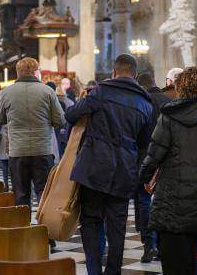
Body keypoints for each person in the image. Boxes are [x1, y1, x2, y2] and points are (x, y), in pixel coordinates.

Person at [140, 67, 197, 275]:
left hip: (172, 197)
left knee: (173, 260)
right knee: (194, 259)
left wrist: (145, 178)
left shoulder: (169, 116)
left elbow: (154, 154)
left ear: (180, 87)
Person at [65, 54, 153, 275]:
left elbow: (71, 115)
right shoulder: (145, 103)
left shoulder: (101, 92)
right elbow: (144, 143)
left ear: (114, 72)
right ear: (135, 75)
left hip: (94, 167)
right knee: (117, 227)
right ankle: (113, 271)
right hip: (124, 170)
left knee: (91, 221)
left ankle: (94, 270)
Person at [0, 57, 65, 209]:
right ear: (35, 72)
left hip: (18, 151)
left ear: (18, 73)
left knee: (20, 193)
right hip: (42, 150)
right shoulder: (47, 91)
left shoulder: (7, 93)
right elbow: (60, 120)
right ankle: (44, 229)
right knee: (44, 193)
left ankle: (23, 228)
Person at [135, 73, 172, 263]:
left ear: (141, 86)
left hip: (145, 159)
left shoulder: (141, 101)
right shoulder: (169, 101)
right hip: (167, 160)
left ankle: (149, 244)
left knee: (144, 202)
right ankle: (164, 245)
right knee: (164, 201)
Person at [0, 123, 10, 192]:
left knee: (4, 168)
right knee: (14, 169)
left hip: (3, 141)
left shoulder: (1, 115)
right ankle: (13, 186)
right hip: (13, 142)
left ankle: (6, 185)